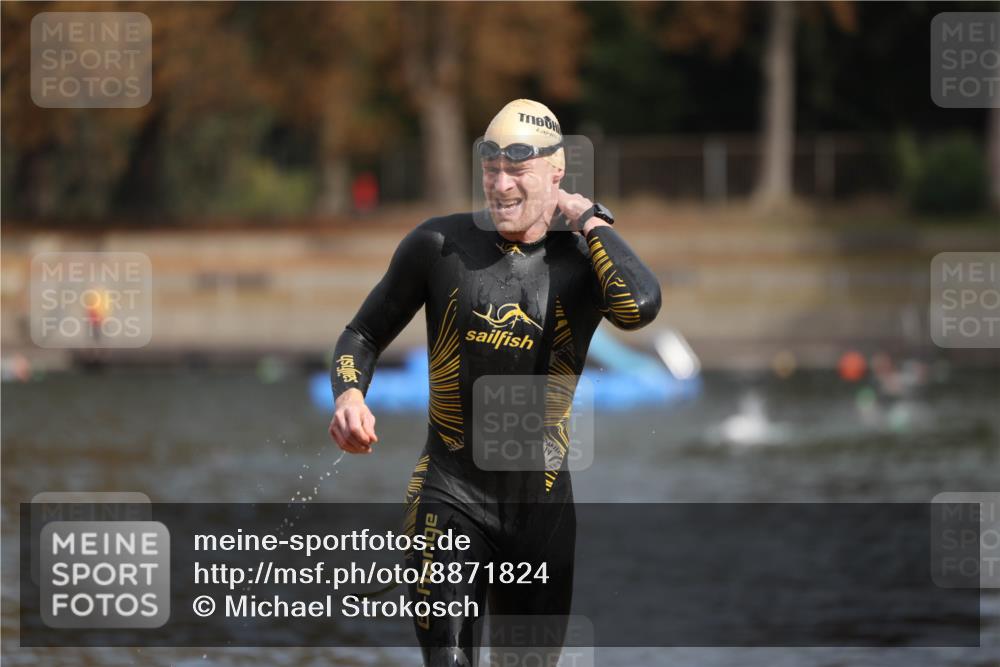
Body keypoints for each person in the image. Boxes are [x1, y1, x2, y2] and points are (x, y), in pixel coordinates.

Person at [328, 99, 661, 666]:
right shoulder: (439, 245)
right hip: (449, 495)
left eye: (518, 169)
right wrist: (350, 394)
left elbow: (641, 306)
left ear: (556, 171)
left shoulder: (582, 260)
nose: (501, 185)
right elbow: (361, 333)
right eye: (490, 168)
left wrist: (589, 218)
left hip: (542, 514)